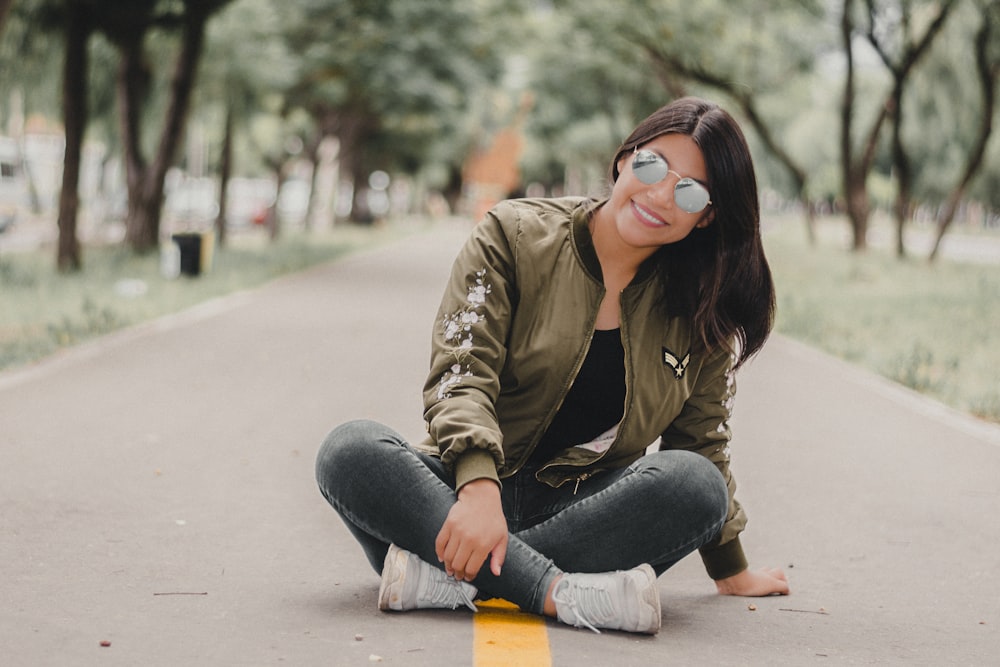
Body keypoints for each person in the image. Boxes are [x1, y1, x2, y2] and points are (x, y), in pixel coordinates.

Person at [315, 96, 789, 635]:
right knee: (349, 450)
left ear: (706, 217)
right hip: (457, 504)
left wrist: (732, 570)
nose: (660, 194)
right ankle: (560, 593)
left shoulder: (705, 308)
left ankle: (446, 583)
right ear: (624, 159)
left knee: (698, 485)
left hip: (587, 514)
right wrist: (476, 488)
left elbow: (702, 444)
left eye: (689, 190)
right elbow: (461, 371)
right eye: (653, 165)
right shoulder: (513, 235)